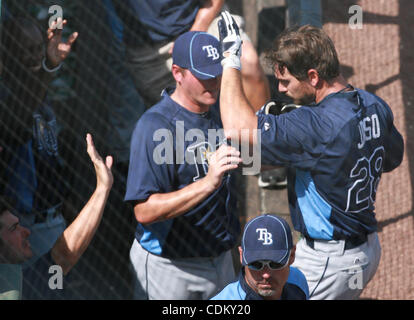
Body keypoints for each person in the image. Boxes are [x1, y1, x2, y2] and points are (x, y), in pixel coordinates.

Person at [216, 12, 404, 299]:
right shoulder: (374, 104)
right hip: (363, 246)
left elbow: (236, 127)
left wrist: (231, 57)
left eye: (286, 81)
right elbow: (392, 158)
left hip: (328, 261)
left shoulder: (314, 126)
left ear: (313, 77)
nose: (280, 89)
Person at [125, 31, 242, 300]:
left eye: (216, 73)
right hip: (169, 267)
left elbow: (254, 158)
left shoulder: (221, 112)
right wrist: (207, 184)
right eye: (204, 75)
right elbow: (143, 210)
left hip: (220, 259)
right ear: (177, 73)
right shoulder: (154, 126)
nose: (213, 82)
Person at [0, 17, 78, 267]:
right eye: (25, 50)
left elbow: (51, 156)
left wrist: (65, 203)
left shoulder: (41, 93)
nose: (34, 56)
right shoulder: (8, 96)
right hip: (22, 225)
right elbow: (17, 118)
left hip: (53, 218)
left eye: (37, 48)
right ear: (7, 53)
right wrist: (48, 68)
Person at [0, 133, 113, 300]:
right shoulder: (16, 289)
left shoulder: (28, 280)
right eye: (14, 228)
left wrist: (103, 188)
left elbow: (63, 257)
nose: (27, 231)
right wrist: (102, 189)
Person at [114, 0, 270, 111]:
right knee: (170, 118)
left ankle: (263, 148)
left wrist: (194, 33)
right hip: (149, 48)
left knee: (247, 63)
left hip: (202, 20)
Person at [211, 214, 308, 300]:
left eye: (275, 264)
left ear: (291, 256)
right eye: (256, 264)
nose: (266, 274)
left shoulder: (298, 281)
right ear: (241, 256)